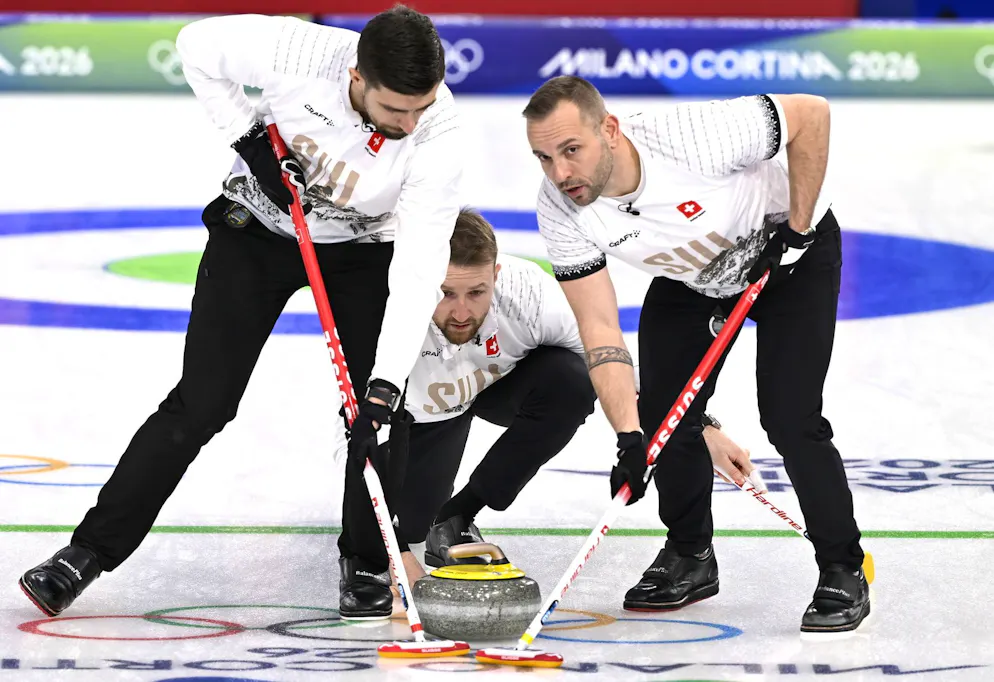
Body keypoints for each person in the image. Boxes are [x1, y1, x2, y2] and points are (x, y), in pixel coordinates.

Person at [19, 8, 462, 621]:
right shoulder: (297, 51)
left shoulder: (440, 134)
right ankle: (87, 552)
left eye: (422, 107)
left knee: (380, 414)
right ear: (357, 77)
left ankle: (364, 561)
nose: (412, 124)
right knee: (202, 402)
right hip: (254, 229)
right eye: (396, 112)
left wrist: (385, 385)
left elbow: (419, 265)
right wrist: (250, 142)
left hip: (363, 251)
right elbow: (193, 43)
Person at [522, 75, 869, 634]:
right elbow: (599, 326)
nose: (561, 174)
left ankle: (841, 567)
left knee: (790, 416)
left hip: (790, 255)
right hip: (694, 278)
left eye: (571, 151)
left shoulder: (690, 137)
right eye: (544, 157)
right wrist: (629, 437)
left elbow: (811, 113)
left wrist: (799, 232)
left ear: (608, 131)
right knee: (665, 415)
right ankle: (690, 555)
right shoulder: (561, 210)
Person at [379, 210, 763, 596]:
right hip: (419, 416)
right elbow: (354, 436)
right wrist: (393, 548)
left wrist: (696, 424)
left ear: (495, 276)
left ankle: (459, 513)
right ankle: (419, 524)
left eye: (476, 292)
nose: (462, 312)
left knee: (572, 379)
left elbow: (607, 362)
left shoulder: (528, 293)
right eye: (447, 293)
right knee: (407, 527)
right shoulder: (390, 309)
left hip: (494, 388)